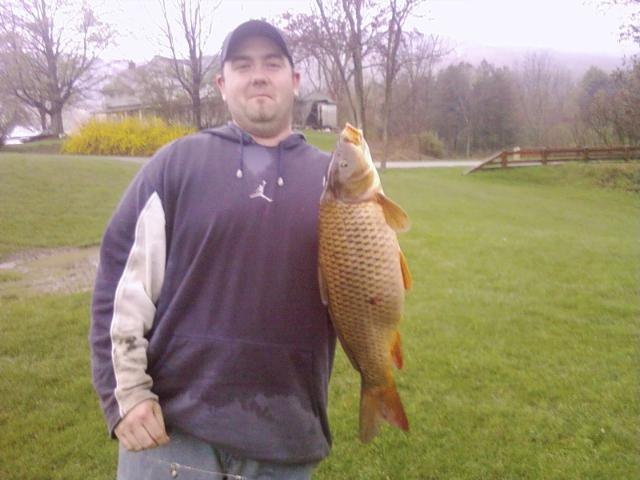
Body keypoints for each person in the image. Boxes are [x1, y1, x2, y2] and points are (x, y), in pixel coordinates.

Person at [89, 19, 336, 480]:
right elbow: (120, 285)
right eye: (242, 65)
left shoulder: (335, 182)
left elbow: (364, 295)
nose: (258, 75)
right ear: (223, 84)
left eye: (272, 63)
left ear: (295, 80)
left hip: (285, 436)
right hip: (172, 434)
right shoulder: (176, 164)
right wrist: (127, 395)